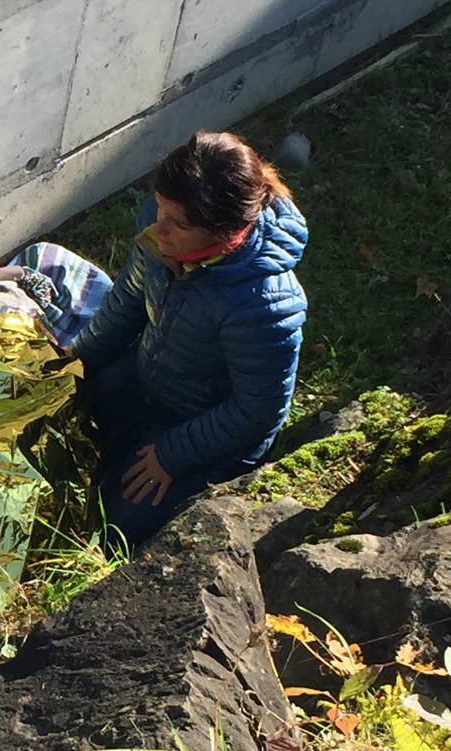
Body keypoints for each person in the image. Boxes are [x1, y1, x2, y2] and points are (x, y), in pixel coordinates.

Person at [68, 130, 308, 552]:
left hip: (205, 430)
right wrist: (75, 359)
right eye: (159, 208)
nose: (157, 228)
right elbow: (127, 300)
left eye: (178, 224)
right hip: (148, 380)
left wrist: (173, 454)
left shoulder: (265, 305)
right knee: (63, 435)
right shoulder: (162, 226)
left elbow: (259, 410)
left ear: (224, 231)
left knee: (109, 527)